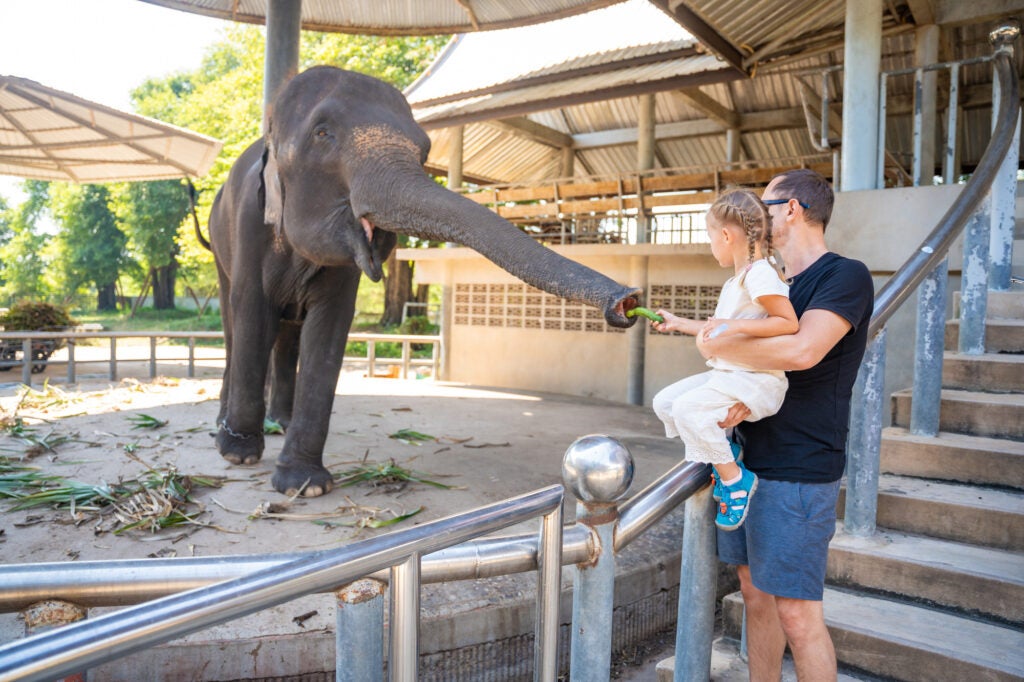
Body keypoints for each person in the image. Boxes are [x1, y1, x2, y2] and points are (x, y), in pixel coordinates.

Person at [697, 169, 874, 681]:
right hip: (748, 458)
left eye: (764, 205)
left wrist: (719, 340)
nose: (753, 214)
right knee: (755, 596)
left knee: (797, 611)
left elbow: (802, 350)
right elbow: (735, 355)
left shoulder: (845, 275)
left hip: (801, 467)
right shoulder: (769, 282)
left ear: (791, 209)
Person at [650, 188, 798, 531]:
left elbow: (788, 322)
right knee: (666, 402)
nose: (710, 244)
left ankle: (735, 481)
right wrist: (679, 323)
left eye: (710, 236)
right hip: (730, 373)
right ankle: (725, 457)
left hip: (754, 378)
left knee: (688, 410)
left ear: (727, 235)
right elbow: (720, 330)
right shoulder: (738, 280)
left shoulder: (760, 274)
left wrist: (731, 324)